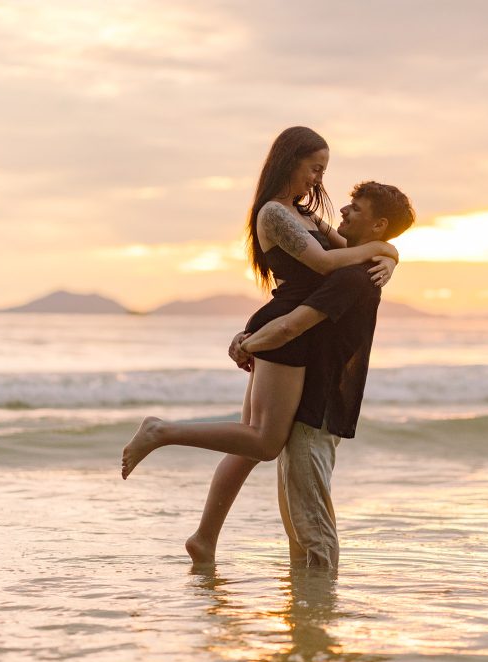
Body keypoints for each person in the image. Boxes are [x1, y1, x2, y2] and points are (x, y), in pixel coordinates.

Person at [120, 127, 398, 479]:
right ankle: (162, 432)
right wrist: (381, 249)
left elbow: (349, 251)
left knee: (248, 442)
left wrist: (390, 256)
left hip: (287, 321)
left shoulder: (306, 215)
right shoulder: (275, 214)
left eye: (323, 171)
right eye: (315, 168)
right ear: (288, 162)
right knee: (264, 443)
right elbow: (327, 263)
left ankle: (205, 536)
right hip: (285, 324)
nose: (318, 180)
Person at [185, 181, 416, 567]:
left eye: (356, 208)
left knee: (313, 532)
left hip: (317, 410)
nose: (342, 210)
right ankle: (304, 615)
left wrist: (247, 345)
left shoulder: (351, 276)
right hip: (311, 407)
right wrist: (388, 252)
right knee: (299, 524)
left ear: (379, 225)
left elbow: (292, 326)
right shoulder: (356, 265)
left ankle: (319, 614)